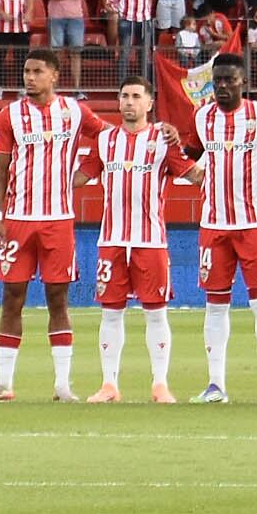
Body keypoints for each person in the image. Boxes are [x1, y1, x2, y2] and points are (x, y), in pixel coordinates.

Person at [0, 52, 85, 403]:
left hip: (58, 221)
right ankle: (3, 383)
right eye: (26, 71)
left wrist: (87, 174)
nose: (30, 77)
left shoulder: (75, 111)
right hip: (18, 221)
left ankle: (62, 386)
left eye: (38, 71)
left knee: (58, 299)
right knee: (12, 298)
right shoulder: (10, 114)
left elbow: (113, 138)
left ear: (54, 75)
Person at [182, 58, 257, 405]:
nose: (223, 86)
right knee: (215, 305)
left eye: (230, 80)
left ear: (243, 82)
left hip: (253, 223)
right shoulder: (202, 117)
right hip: (213, 224)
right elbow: (189, 153)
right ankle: (215, 385)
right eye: (219, 80)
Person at [84, 76, 179, 404]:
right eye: (124, 95)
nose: (129, 102)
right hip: (111, 240)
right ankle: (109, 385)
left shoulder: (164, 140)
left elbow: (191, 171)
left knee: (155, 313)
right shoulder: (105, 140)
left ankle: (160, 384)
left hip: (150, 240)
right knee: (110, 312)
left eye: (136, 96)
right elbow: (83, 175)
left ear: (149, 103)